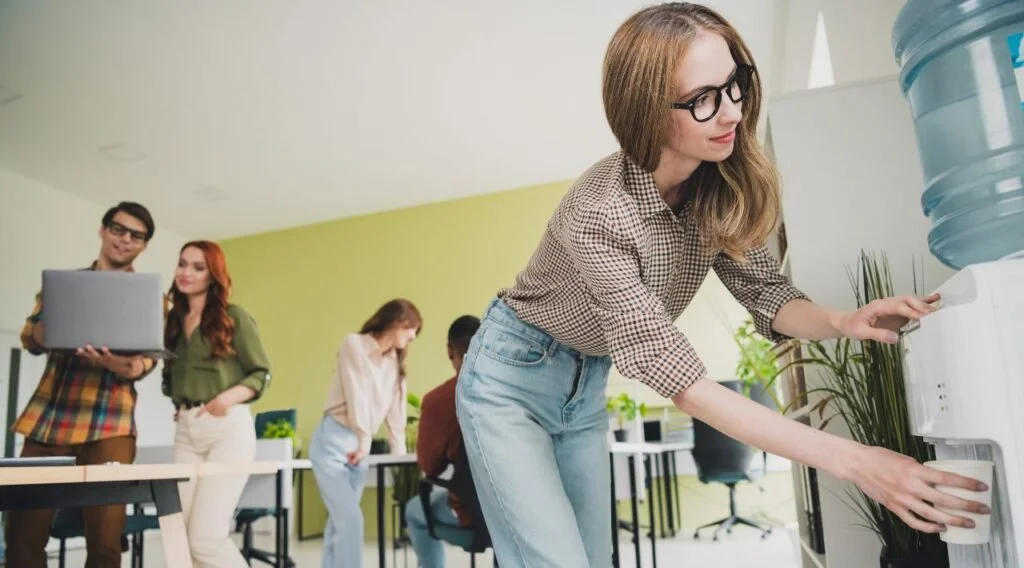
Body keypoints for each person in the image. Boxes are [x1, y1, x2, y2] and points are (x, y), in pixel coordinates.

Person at [453, 4, 991, 568]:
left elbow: (766, 294)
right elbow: (684, 382)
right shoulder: (599, 214)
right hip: (509, 379)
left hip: (584, 384)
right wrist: (861, 463)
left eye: (734, 84)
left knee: (591, 558)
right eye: (703, 98)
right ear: (646, 112)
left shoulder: (718, 183)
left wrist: (841, 321)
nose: (731, 110)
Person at [5, 201, 158, 568]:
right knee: (21, 536)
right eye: (118, 229)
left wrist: (115, 363)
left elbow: (143, 364)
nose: (125, 240)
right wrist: (61, 326)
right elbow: (30, 336)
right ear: (103, 230)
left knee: (105, 542)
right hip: (48, 419)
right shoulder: (63, 286)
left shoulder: (152, 300)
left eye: (136, 236)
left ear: (144, 246)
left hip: (111, 425)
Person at [162, 240, 272, 567]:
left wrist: (226, 397)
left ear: (214, 276)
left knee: (205, 539)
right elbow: (173, 374)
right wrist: (181, 402)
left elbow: (261, 373)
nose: (186, 272)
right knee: (178, 535)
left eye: (198, 267)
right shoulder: (173, 322)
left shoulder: (233, 317)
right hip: (186, 430)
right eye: (183, 263)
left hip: (227, 430)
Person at [310, 299, 422, 568]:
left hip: (360, 448)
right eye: (412, 329)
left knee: (339, 523)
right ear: (398, 321)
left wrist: (400, 460)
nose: (413, 337)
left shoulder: (395, 364)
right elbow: (356, 393)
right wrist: (364, 441)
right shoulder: (354, 344)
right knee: (351, 519)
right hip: (334, 440)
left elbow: (395, 417)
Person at [403, 315, 482, 568]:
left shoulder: (440, 400)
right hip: (520, 510)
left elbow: (430, 465)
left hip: (472, 511)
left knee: (415, 510)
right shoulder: (515, 391)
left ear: (451, 352)